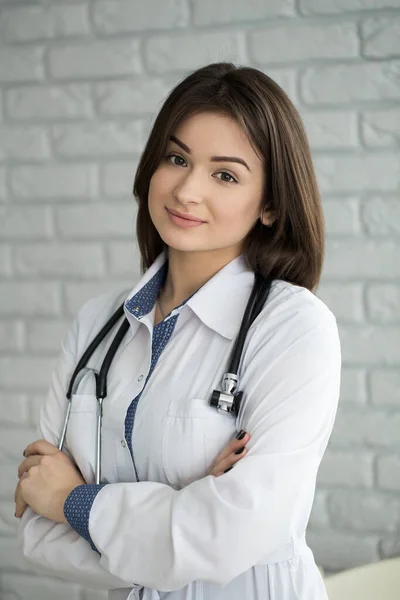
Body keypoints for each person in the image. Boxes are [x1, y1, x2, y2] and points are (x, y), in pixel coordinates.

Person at [15, 62, 341, 600]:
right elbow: (39, 533)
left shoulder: (293, 327)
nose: (187, 190)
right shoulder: (97, 324)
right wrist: (185, 505)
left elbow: (231, 537)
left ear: (271, 205)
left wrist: (75, 501)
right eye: (176, 158)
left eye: (225, 174)